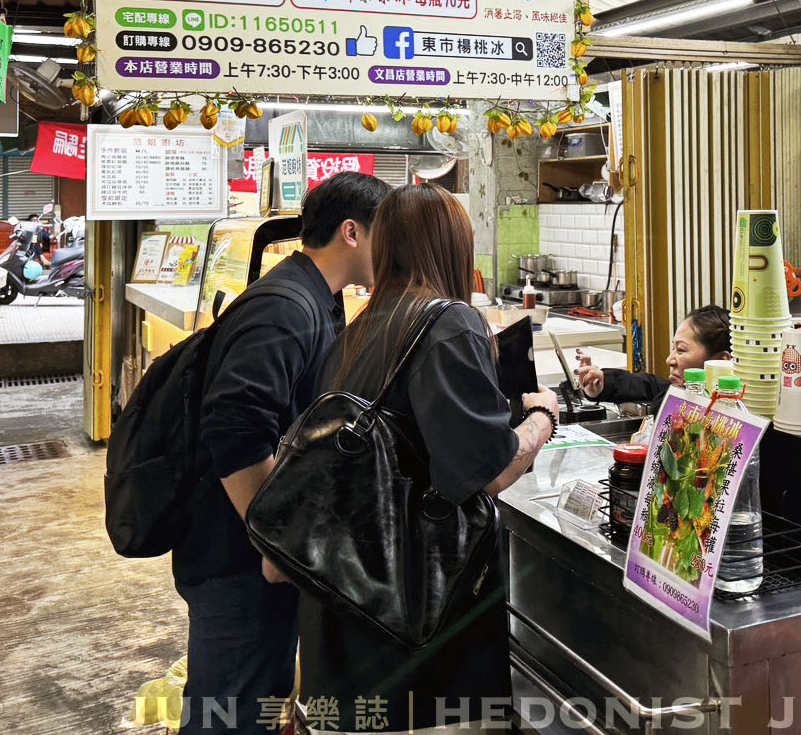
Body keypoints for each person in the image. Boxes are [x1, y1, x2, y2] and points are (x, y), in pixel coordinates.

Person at [284, 183, 559, 732]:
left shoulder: (357, 331)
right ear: (452, 246)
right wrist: (541, 417)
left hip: (346, 616)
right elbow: (490, 470)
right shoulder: (447, 322)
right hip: (417, 630)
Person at [172, 171, 390, 733]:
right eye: (386, 232)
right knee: (230, 713)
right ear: (351, 233)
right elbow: (235, 428)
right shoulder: (287, 308)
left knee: (253, 703)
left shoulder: (315, 298)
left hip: (249, 556)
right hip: (236, 560)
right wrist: (282, 540)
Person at [574, 305, 730, 412]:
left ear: (721, 361)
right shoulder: (678, 392)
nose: (670, 360)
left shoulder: (732, 415)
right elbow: (651, 385)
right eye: (673, 348)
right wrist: (602, 383)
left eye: (681, 350)